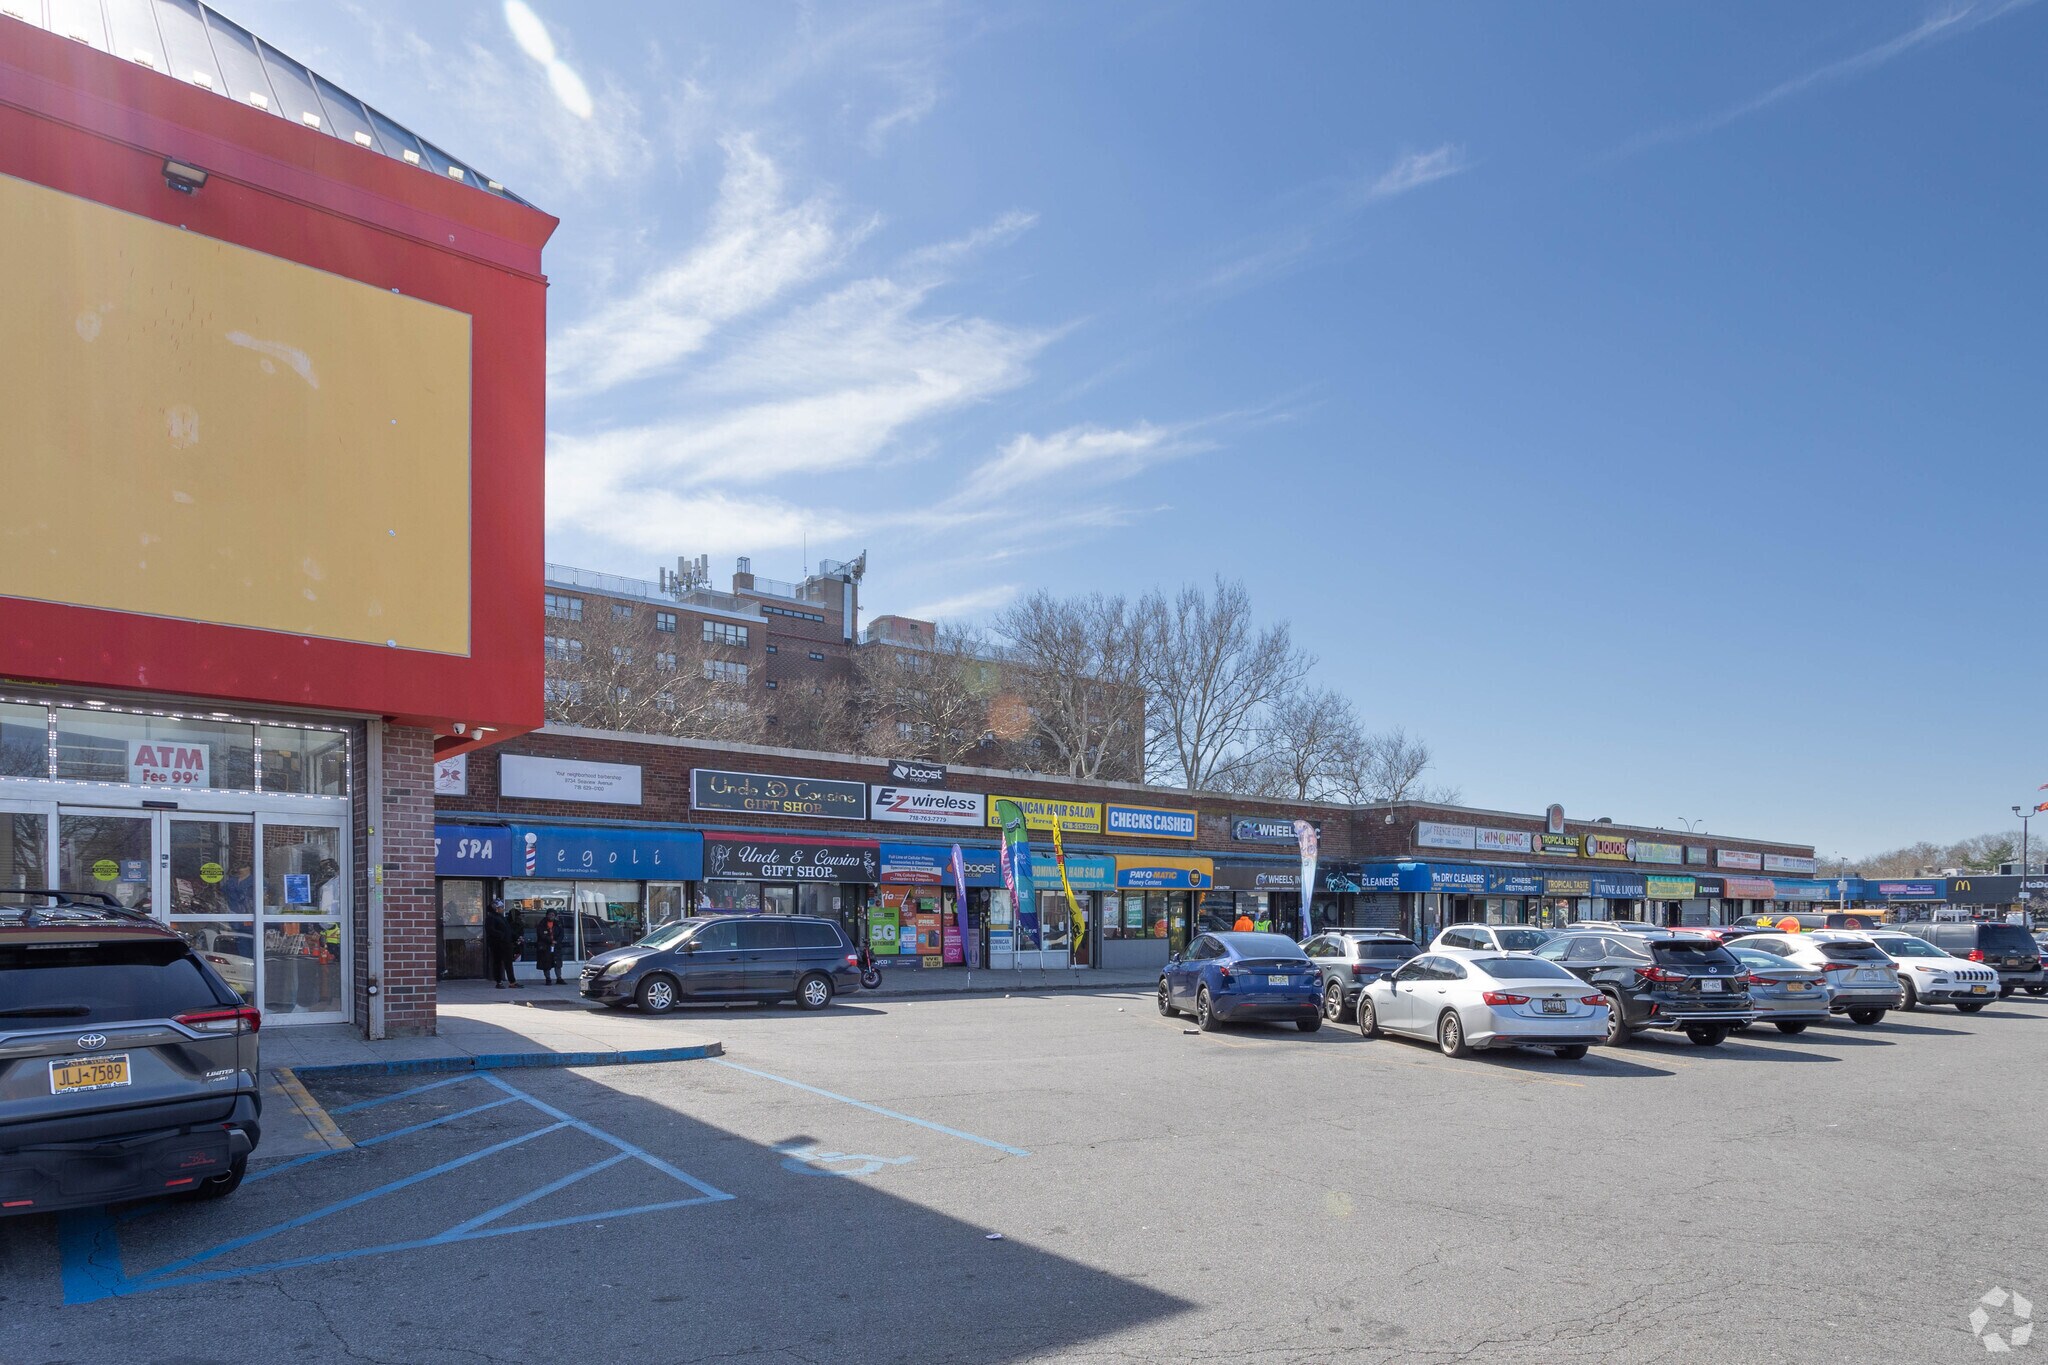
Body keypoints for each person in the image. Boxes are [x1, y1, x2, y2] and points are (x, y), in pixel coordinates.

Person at [483, 898, 521, 989]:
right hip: (497, 944)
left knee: (508, 963)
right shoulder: (491, 918)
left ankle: (512, 981)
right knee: (497, 963)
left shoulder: (501, 917)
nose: (503, 909)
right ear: (496, 908)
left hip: (506, 944)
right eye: (501, 907)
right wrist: (502, 935)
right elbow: (490, 930)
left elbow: (508, 929)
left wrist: (516, 936)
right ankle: (498, 981)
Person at [534, 909, 566, 986]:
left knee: (557, 963)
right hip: (545, 947)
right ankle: (548, 979)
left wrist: (557, 941)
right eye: (549, 914)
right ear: (546, 915)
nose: (551, 916)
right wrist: (550, 940)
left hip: (556, 946)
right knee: (546, 963)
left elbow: (561, 934)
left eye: (553, 915)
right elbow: (541, 935)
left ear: (555, 916)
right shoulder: (542, 924)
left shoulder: (558, 924)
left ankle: (559, 978)